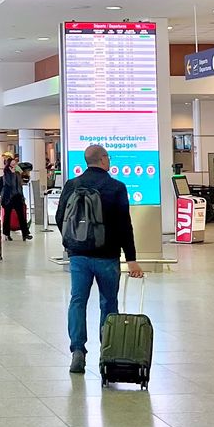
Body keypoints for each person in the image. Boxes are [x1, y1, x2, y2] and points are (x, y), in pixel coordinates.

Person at [55, 144, 144, 374]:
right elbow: (125, 225)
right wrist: (131, 258)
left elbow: (60, 216)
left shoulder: (72, 185)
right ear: (103, 160)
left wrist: (71, 243)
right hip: (107, 256)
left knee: (77, 300)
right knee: (108, 302)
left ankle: (77, 351)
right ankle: (108, 351)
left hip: (79, 256)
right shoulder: (116, 187)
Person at [0, 155, 32, 242]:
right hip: (9, 197)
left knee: (21, 215)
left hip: (17, 196)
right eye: (13, 163)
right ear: (9, 164)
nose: (14, 164)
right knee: (7, 216)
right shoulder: (6, 172)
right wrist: (13, 173)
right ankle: (6, 233)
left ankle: (25, 233)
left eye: (15, 163)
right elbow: (9, 183)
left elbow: (20, 184)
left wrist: (20, 173)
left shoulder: (18, 172)